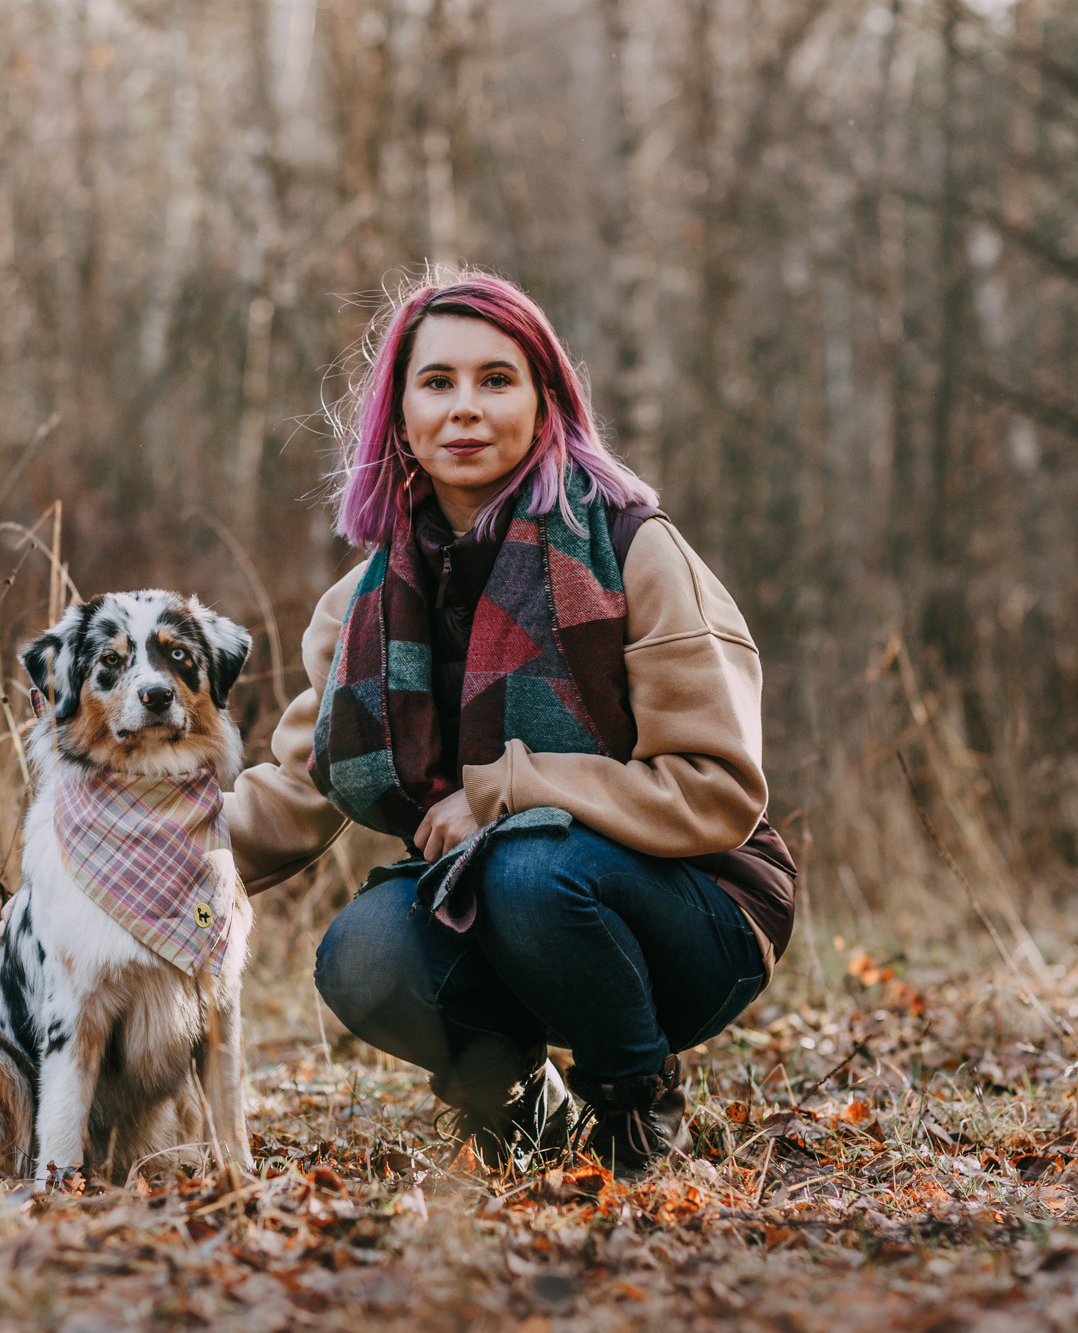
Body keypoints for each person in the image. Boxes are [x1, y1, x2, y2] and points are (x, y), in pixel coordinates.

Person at [225, 270, 795, 1178]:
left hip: (695, 911)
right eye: (438, 382)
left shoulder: (634, 550)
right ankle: (526, 1100)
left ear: (545, 405)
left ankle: (636, 1099)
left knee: (527, 867)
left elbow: (718, 789)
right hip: (512, 912)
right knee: (363, 949)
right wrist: (137, 857)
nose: (466, 408)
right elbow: (299, 786)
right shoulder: (367, 602)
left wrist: (506, 793)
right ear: (399, 415)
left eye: (498, 380)